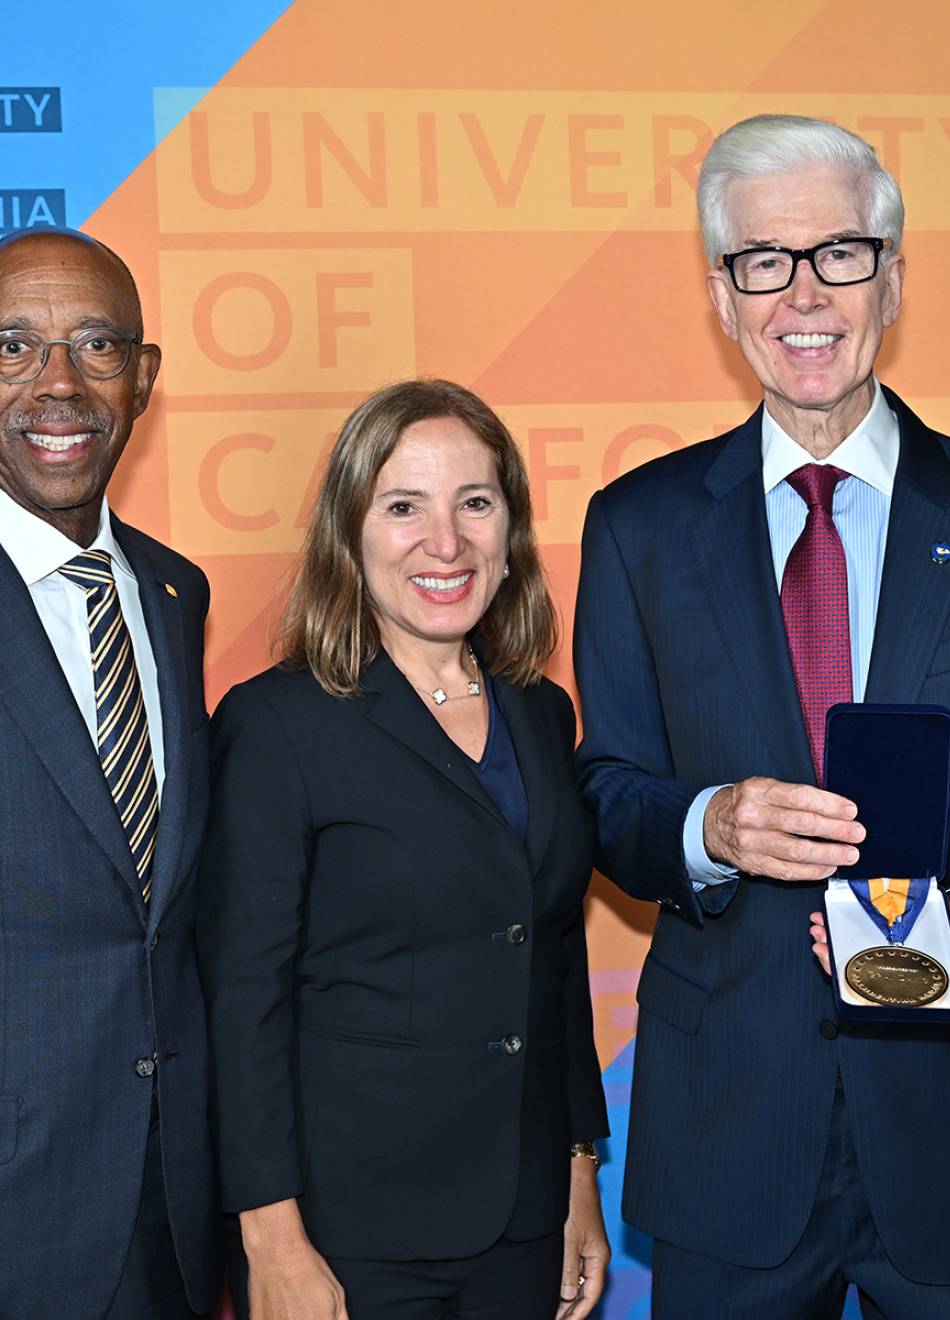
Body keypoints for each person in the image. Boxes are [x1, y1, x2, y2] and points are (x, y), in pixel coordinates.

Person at [573, 113, 950, 1318]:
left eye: (841, 253)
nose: (803, 294)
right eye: (763, 260)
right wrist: (710, 825)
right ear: (723, 296)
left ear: (896, 277)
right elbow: (606, 794)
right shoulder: (638, 527)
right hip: (733, 1141)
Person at [198, 378, 609, 1320]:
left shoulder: (542, 713)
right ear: (351, 535)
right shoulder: (277, 725)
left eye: (475, 502)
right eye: (403, 506)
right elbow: (240, 995)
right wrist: (270, 1237)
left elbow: (551, 953)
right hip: (346, 1234)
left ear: (511, 532)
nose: (445, 541)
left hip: (522, 1218)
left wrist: (579, 1168)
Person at [0, 228, 221, 1318]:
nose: (57, 385)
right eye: (13, 346)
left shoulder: (176, 597)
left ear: (144, 378)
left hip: (172, 1209)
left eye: (96, 345)